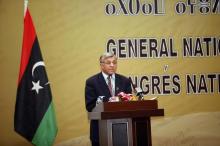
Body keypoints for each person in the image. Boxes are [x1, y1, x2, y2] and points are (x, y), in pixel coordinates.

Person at [85, 52, 132, 146]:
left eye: (114, 62)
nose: (112, 65)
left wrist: (120, 100)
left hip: (122, 131)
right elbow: (90, 106)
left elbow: (130, 102)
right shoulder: (92, 82)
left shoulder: (125, 81)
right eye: (108, 63)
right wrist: (108, 101)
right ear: (101, 65)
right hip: (100, 131)